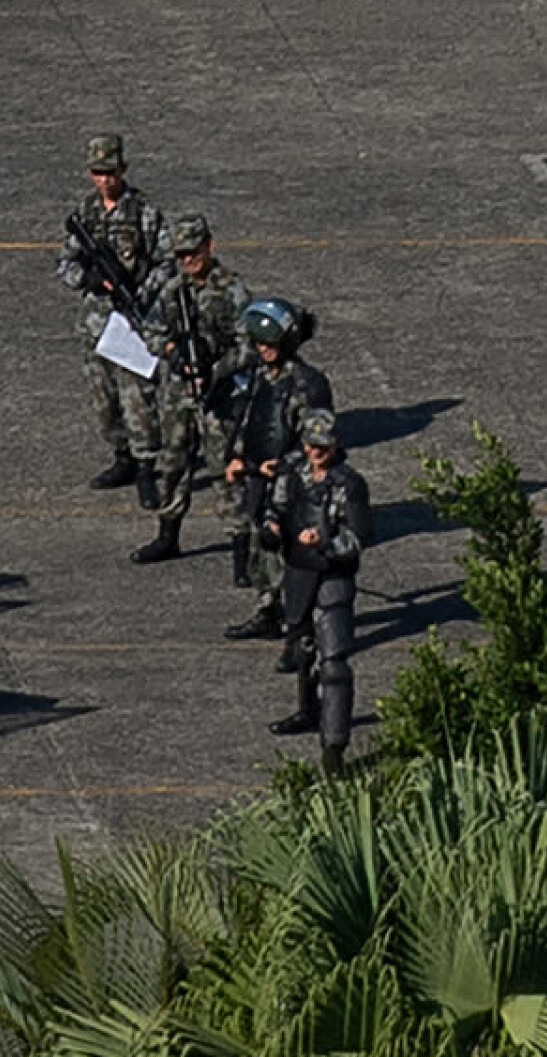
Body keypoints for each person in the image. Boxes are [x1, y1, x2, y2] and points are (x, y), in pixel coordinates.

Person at [55, 134, 172, 507]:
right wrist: (90, 280)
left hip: (133, 321)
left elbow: (167, 262)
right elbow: (66, 263)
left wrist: (142, 288)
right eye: (98, 173)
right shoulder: (86, 214)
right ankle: (121, 456)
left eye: (110, 172)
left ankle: (145, 467)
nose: (105, 180)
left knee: (138, 397)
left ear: (123, 169)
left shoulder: (143, 213)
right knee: (104, 400)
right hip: (97, 323)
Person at [130, 214, 253, 564]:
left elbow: (249, 342)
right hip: (178, 392)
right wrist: (174, 352)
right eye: (182, 255)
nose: (188, 261)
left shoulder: (232, 289)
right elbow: (151, 331)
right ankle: (168, 533)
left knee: (226, 467)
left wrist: (216, 368)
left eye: (194, 253)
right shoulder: (173, 291)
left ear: (209, 246)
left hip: (220, 393)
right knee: (174, 462)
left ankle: (241, 544)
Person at [262, 410, 372, 774]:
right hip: (298, 572)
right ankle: (308, 711)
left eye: (323, 445)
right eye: (311, 444)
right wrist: (272, 528)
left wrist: (325, 541)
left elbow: (358, 537)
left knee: (335, 663)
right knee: (304, 650)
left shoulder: (348, 484)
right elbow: (275, 507)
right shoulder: (293, 475)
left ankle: (334, 746)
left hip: (332, 576)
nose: (316, 451)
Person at [221, 297, 334, 642]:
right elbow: (249, 422)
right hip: (259, 476)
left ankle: (301, 630)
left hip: (293, 482)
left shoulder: (307, 385)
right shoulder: (257, 377)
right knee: (263, 548)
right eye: (259, 343)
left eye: (270, 342)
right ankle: (268, 608)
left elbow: (318, 441)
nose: (263, 349)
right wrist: (239, 458)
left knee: (296, 558)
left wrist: (286, 469)